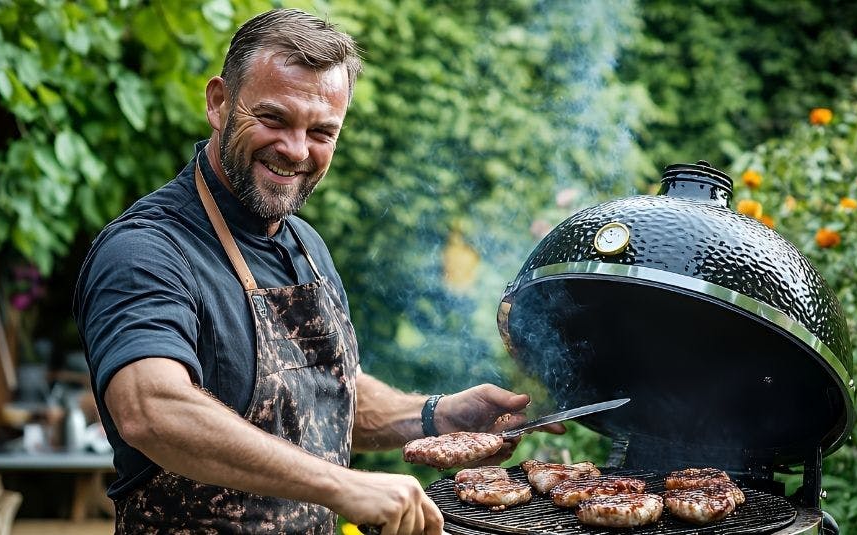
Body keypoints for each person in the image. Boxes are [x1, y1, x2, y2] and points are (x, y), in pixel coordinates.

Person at [73, 8, 562, 535]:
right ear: (219, 103)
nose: (296, 149)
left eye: (322, 131)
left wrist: (434, 416)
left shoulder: (305, 246)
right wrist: (342, 484)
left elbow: (321, 397)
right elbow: (151, 408)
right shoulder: (146, 250)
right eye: (274, 119)